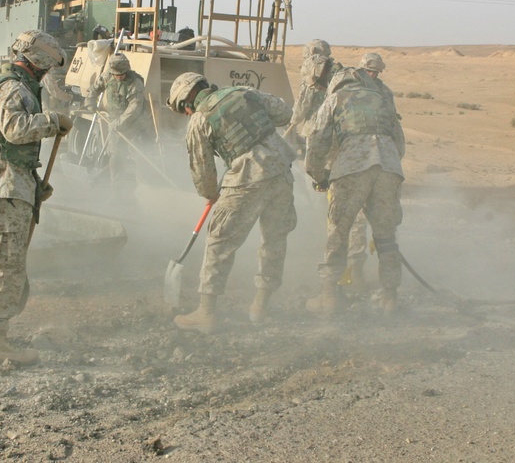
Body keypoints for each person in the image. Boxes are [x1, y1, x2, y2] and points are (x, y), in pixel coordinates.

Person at [0, 31, 74, 365]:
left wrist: (33, 184)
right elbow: (15, 130)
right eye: (47, 67)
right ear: (38, 61)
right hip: (2, 187)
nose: (48, 74)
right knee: (5, 266)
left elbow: (8, 148)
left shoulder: (13, 85)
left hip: (3, 184)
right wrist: (53, 121)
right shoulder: (13, 87)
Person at [165, 72, 297, 332]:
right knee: (274, 239)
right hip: (282, 171)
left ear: (187, 100)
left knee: (220, 240)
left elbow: (202, 170)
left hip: (248, 177)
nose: (187, 114)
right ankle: (261, 306)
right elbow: (284, 113)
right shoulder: (244, 92)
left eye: (183, 109)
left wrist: (211, 193)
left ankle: (206, 312)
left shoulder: (200, 120)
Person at [304, 55, 406, 316]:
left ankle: (328, 298)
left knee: (338, 231)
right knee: (386, 236)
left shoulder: (335, 99)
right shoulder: (382, 99)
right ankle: (390, 299)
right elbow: (399, 142)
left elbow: (316, 142)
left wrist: (318, 177)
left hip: (352, 166)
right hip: (389, 167)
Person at [85, 53, 147, 202]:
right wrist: (90, 101)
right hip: (114, 120)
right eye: (116, 75)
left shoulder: (135, 83)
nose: (119, 77)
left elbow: (135, 108)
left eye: (122, 74)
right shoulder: (107, 76)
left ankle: (134, 190)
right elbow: (94, 89)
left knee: (131, 157)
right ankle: (116, 188)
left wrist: (119, 123)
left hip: (134, 123)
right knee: (116, 155)